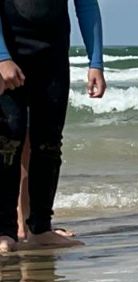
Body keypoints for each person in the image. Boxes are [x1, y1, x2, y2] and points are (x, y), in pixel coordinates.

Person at [0, 0, 105, 254]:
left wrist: (96, 62)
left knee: (48, 142)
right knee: (8, 140)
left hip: (52, 54)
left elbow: (86, 5)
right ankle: (4, 230)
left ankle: (40, 228)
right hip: (11, 51)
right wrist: (1, 57)